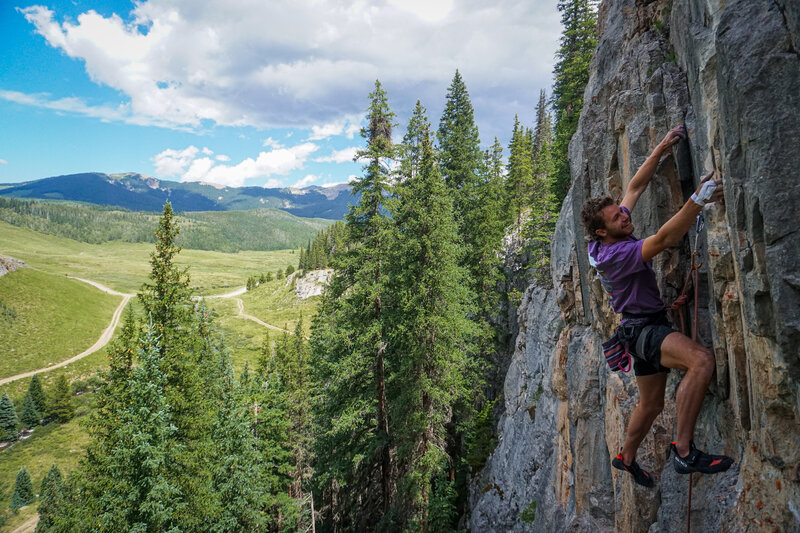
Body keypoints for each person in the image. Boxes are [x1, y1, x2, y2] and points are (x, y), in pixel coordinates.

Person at [580, 125, 733, 487]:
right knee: (701, 361)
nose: (624, 215)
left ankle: (626, 457)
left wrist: (661, 147)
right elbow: (665, 238)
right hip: (646, 331)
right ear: (603, 231)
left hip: (637, 329)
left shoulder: (604, 239)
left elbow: (634, 187)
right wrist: (699, 199)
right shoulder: (618, 253)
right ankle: (684, 452)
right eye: (616, 217)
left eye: (620, 211)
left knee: (650, 405)